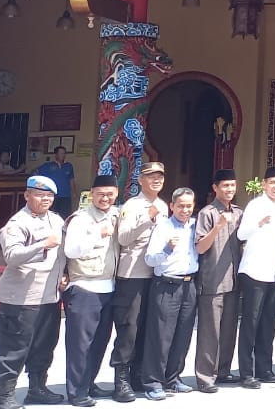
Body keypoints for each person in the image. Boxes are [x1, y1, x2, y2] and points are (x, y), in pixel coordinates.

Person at [0, 175, 65, 409]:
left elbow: (63, 253)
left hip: (50, 296)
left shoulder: (56, 219)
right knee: (13, 348)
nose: (45, 199)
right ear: (27, 195)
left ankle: (37, 388)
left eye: (49, 196)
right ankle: (5, 396)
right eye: (40, 195)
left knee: (45, 345)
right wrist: (42, 244)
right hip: (21, 298)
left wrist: (67, 273)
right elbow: (11, 257)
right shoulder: (17, 223)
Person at [62, 174, 120, 407]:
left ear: (116, 194)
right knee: (80, 344)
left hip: (109, 286)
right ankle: (76, 391)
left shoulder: (117, 215)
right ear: (91, 194)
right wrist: (98, 233)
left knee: (100, 342)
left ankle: (89, 383)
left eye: (110, 194)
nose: (105, 198)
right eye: (100, 194)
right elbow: (72, 250)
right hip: (84, 286)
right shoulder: (81, 219)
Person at [111, 162, 168, 400]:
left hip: (154, 274)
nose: (156, 180)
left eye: (160, 177)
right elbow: (123, 237)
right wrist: (147, 218)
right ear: (141, 180)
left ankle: (138, 375)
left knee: (147, 328)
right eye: (151, 177)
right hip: (132, 273)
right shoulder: (133, 205)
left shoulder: (163, 205)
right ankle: (121, 379)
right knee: (129, 328)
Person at [235, 166, 275, 388]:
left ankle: (264, 368)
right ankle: (246, 373)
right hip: (254, 271)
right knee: (251, 322)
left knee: (269, 323)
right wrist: (258, 223)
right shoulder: (255, 205)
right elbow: (241, 235)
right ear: (264, 184)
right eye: (273, 183)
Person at [141, 187, 200, 400]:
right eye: (181, 206)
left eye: (189, 206)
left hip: (189, 284)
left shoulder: (195, 225)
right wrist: (167, 248)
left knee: (183, 334)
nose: (185, 210)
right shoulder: (163, 227)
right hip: (166, 284)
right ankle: (153, 382)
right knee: (160, 335)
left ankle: (173, 379)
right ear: (172, 206)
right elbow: (149, 259)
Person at [192, 170, 242, 393]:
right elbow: (200, 247)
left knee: (229, 329)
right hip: (212, 281)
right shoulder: (207, 213)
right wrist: (218, 227)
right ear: (215, 188)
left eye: (232, 185)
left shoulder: (240, 213)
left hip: (234, 279)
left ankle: (223, 370)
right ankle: (205, 376)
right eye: (224, 186)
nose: (229, 190)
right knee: (209, 331)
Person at [34, 148, 75, 218]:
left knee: (65, 216)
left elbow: (71, 180)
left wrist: (74, 192)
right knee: (51, 216)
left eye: (64, 153)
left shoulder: (69, 166)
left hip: (66, 196)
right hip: (52, 196)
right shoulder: (48, 165)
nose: (63, 155)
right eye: (61, 153)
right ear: (56, 155)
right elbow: (35, 172)